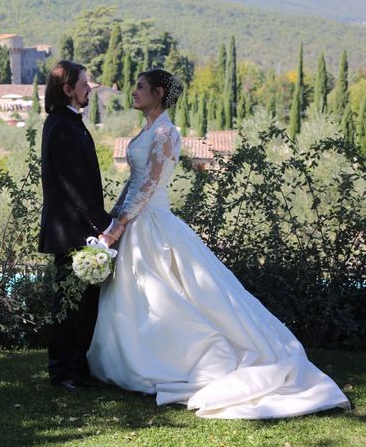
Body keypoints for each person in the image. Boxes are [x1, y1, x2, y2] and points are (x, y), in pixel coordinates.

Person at [87, 69, 351, 418]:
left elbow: (150, 186)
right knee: (143, 296)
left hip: (152, 223)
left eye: (140, 87)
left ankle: (183, 361)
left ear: (159, 92)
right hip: (135, 220)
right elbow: (133, 182)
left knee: (171, 295)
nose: (133, 92)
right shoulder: (148, 130)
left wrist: (118, 227)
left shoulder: (167, 132)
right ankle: (135, 360)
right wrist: (115, 216)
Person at [39, 60, 123, 390]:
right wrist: (106, 225)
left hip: (77, 229)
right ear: (68, 89)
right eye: (84, 83)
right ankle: (63, 372)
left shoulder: (69, 122)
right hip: (70, 232)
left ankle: (76, 368)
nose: (89, 88)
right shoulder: (61, 126)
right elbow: (74, 187)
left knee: (82, 305)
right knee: (69, 306)